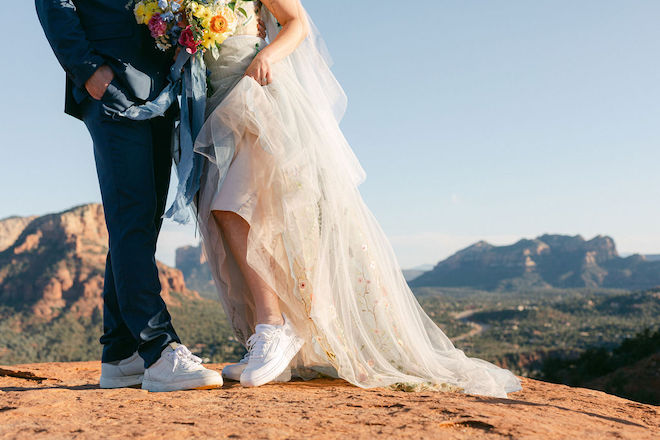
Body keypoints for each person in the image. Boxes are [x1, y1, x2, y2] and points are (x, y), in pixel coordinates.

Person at [191, 0, 522, 397]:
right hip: (213, 108)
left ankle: (274, 329)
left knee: (234, 209)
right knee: (230, 216)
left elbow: (296, 22)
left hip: (257, 99)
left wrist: (268, 54)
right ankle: (277, 345)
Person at [35, 0, 223, 392]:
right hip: (111, 84)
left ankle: (122, 354)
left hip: (158, 86)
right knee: (133, 214)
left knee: (141, 216)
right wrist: (88, 69)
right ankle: (159, 349)